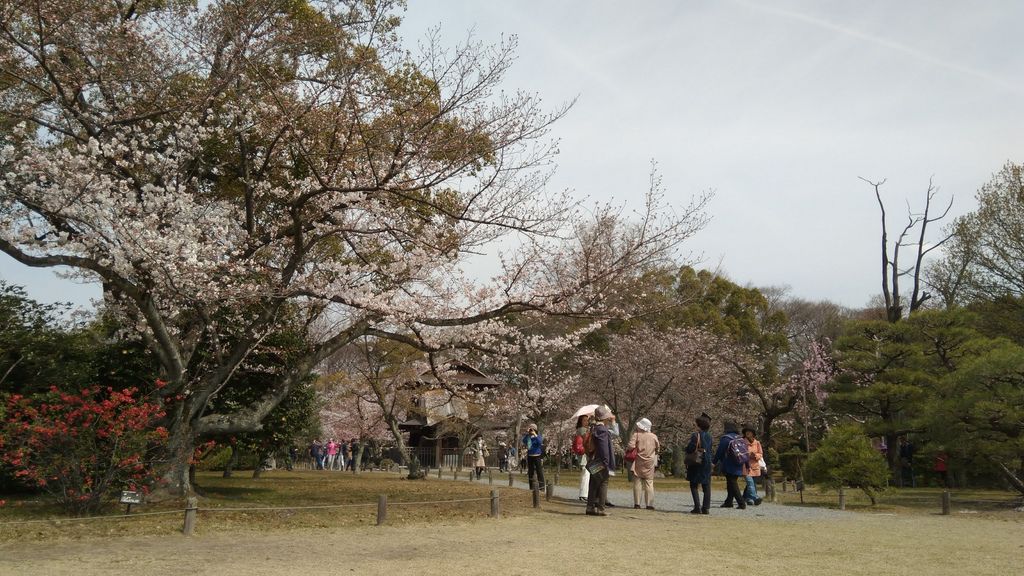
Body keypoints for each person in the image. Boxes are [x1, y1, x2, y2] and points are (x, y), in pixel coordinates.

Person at [585, 405, 616, 516]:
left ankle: (590, 507)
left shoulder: (593, 428)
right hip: (601, 461)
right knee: (603, 482)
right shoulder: (602, 430)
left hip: (594, 460)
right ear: (604, 418)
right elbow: (604, 449)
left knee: (593, 483)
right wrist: (606, 463)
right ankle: (601, 509)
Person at [713, 420, 747, 509]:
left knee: (732, 482)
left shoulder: (726, 438)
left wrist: (714, 462)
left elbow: (720, 452)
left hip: (729, 463)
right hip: (739, 462)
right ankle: (729, 501)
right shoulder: (740, 438)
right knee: (730, 482)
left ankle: (741, 503)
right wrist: (746, 464)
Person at [628, 417, 660, 510]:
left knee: (637, 481)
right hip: (650, 461)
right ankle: (649, 504)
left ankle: (637, 503)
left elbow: (630, 446)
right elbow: (658, 448)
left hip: (638, 460)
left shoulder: (636, 435)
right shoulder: (654, 436)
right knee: (649, 482)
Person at [685, 412, 713, 514]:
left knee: (694, 484)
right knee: (706, 484)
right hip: (707, 461)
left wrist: (687, 449)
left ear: (699, 425)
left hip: (697, 461)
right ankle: (706, 508)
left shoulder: (695, 435)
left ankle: (697, 507)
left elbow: (691, 448)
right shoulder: (709, 436)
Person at [742, 426, 764, 506]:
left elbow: (760, 453)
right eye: (746, 431)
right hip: (746, 466)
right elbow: (740, 453)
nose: (747, 433)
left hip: (755, 466)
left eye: (749, 431)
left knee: (752, 484)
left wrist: (756, 456)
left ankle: (749, 499)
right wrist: (747, 455)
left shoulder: (757, 443)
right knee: (750, 483)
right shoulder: (742, 442)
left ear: (753, 433)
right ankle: (755, 497)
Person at [573, 414, 591, 502]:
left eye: (587, 420)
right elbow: (587, 439)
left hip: (583, 454)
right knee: (586, 474)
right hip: (584, 454)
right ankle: (583, 494)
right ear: (581, 421)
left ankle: (584, 493)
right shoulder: (582, 430)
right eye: (584, 420)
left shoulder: (582, 430)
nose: (586, 422)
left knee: (586, 473)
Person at [522, 424, 545, 489]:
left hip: (537, 456)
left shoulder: (538, 436)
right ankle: (531, 487)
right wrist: (528, 434)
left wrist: (535, 434)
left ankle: (542, 487)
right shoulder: (528, 437)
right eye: (530, 429)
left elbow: (540, 442)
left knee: (539, 471)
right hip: (530, 456)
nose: (531, 430)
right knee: (530, 472)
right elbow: (524, 441)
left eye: (532, 429)